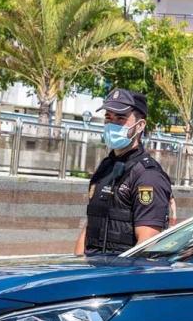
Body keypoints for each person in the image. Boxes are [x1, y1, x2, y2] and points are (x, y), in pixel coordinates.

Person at [74, 88, 174, 256]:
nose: (112, 124)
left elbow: (148, 243)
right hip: (92, 272)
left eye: (120, 118)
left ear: (140, 125)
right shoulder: (106, 166)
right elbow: (90, 225)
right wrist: (76, 267)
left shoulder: (148, 175)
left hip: (120, 274)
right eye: (108, 117)